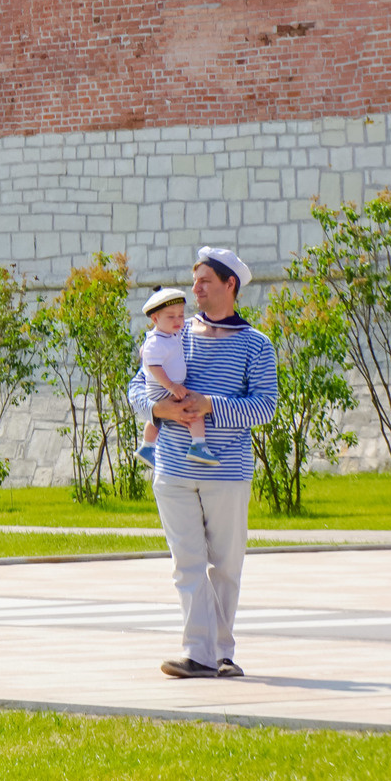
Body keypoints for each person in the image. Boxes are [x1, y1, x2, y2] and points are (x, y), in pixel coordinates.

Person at [144, 247, 277, 681]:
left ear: (229, 286)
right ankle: (197, 653)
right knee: (186, 564)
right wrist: (160, 411)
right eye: (194, 280)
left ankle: (222, 653)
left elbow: (265, 407)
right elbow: (137, 385)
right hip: (173, 470)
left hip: (227, 474)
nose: (194, 289)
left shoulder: (256, 345)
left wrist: (210, 405)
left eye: (203, 281)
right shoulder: (174, 332)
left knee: (225, 565)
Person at [134, 286, 212, 469]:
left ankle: (147, 446)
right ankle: (198, 444)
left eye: (180, 315)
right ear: (155, 319)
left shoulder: (168, 335)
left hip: (166, 388)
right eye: (171, 316)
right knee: (193, 411)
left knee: (156, 420)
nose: (178, 320)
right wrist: (171, 386)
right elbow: (153, 366)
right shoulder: (156, 340)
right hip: (162, 389)